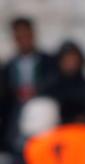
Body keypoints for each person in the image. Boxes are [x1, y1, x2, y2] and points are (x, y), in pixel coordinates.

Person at [0, 17, 57, 150]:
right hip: (15, 129)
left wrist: (37, 91)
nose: (23, 40)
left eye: (26, 35)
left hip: (45, 127)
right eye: (19, 36)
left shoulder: (50, 63)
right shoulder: (7, 68)